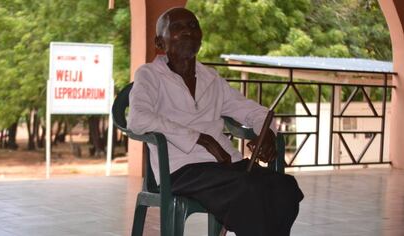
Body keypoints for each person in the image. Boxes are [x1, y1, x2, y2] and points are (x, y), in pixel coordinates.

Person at [127, 7, 303, 236]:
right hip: (181, 169)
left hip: (225, 166)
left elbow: (255, 112)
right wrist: (201, 139)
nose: (188, 32)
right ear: (160, 42)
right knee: (248, 189)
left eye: (193, 26)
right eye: (177, 27)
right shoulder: (149, 75)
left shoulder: (212, 79)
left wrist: (266, 132)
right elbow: (137, 118)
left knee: (284, 188)